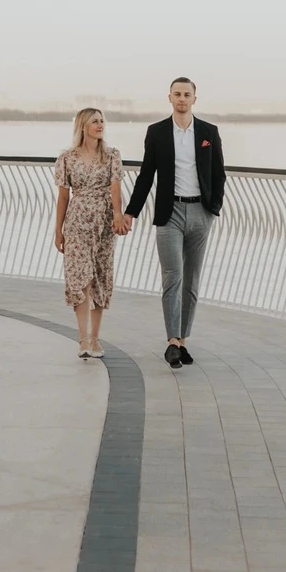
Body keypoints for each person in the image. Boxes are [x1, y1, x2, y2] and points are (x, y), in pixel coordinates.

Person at [123, 77, 225, 368]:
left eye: (187, 94)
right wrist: (131, 212)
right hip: (170, 213)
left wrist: (213, 208)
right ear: (169, 98)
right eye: (177, 94)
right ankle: (171, 342)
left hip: (201, 213)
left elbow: (219, 174)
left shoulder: (209, 132)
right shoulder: (157, 133)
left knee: (192, 281)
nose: (182, 99)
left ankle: (182, 341)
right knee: (173, 276)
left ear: (195, 99)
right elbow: (145, 176)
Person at [53, 107, 126, 359]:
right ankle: (82, 339)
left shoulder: (112, 155)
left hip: (103, 222)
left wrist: (118, 214)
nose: (100, 125)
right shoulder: (67, 158)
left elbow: (116, 187)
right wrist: (58, 231)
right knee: (79, 278)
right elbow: (63, 196)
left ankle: (95, 339)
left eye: (102, 121)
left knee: (99, 278)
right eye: (95, 121)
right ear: (83, 125)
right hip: (76, 222)